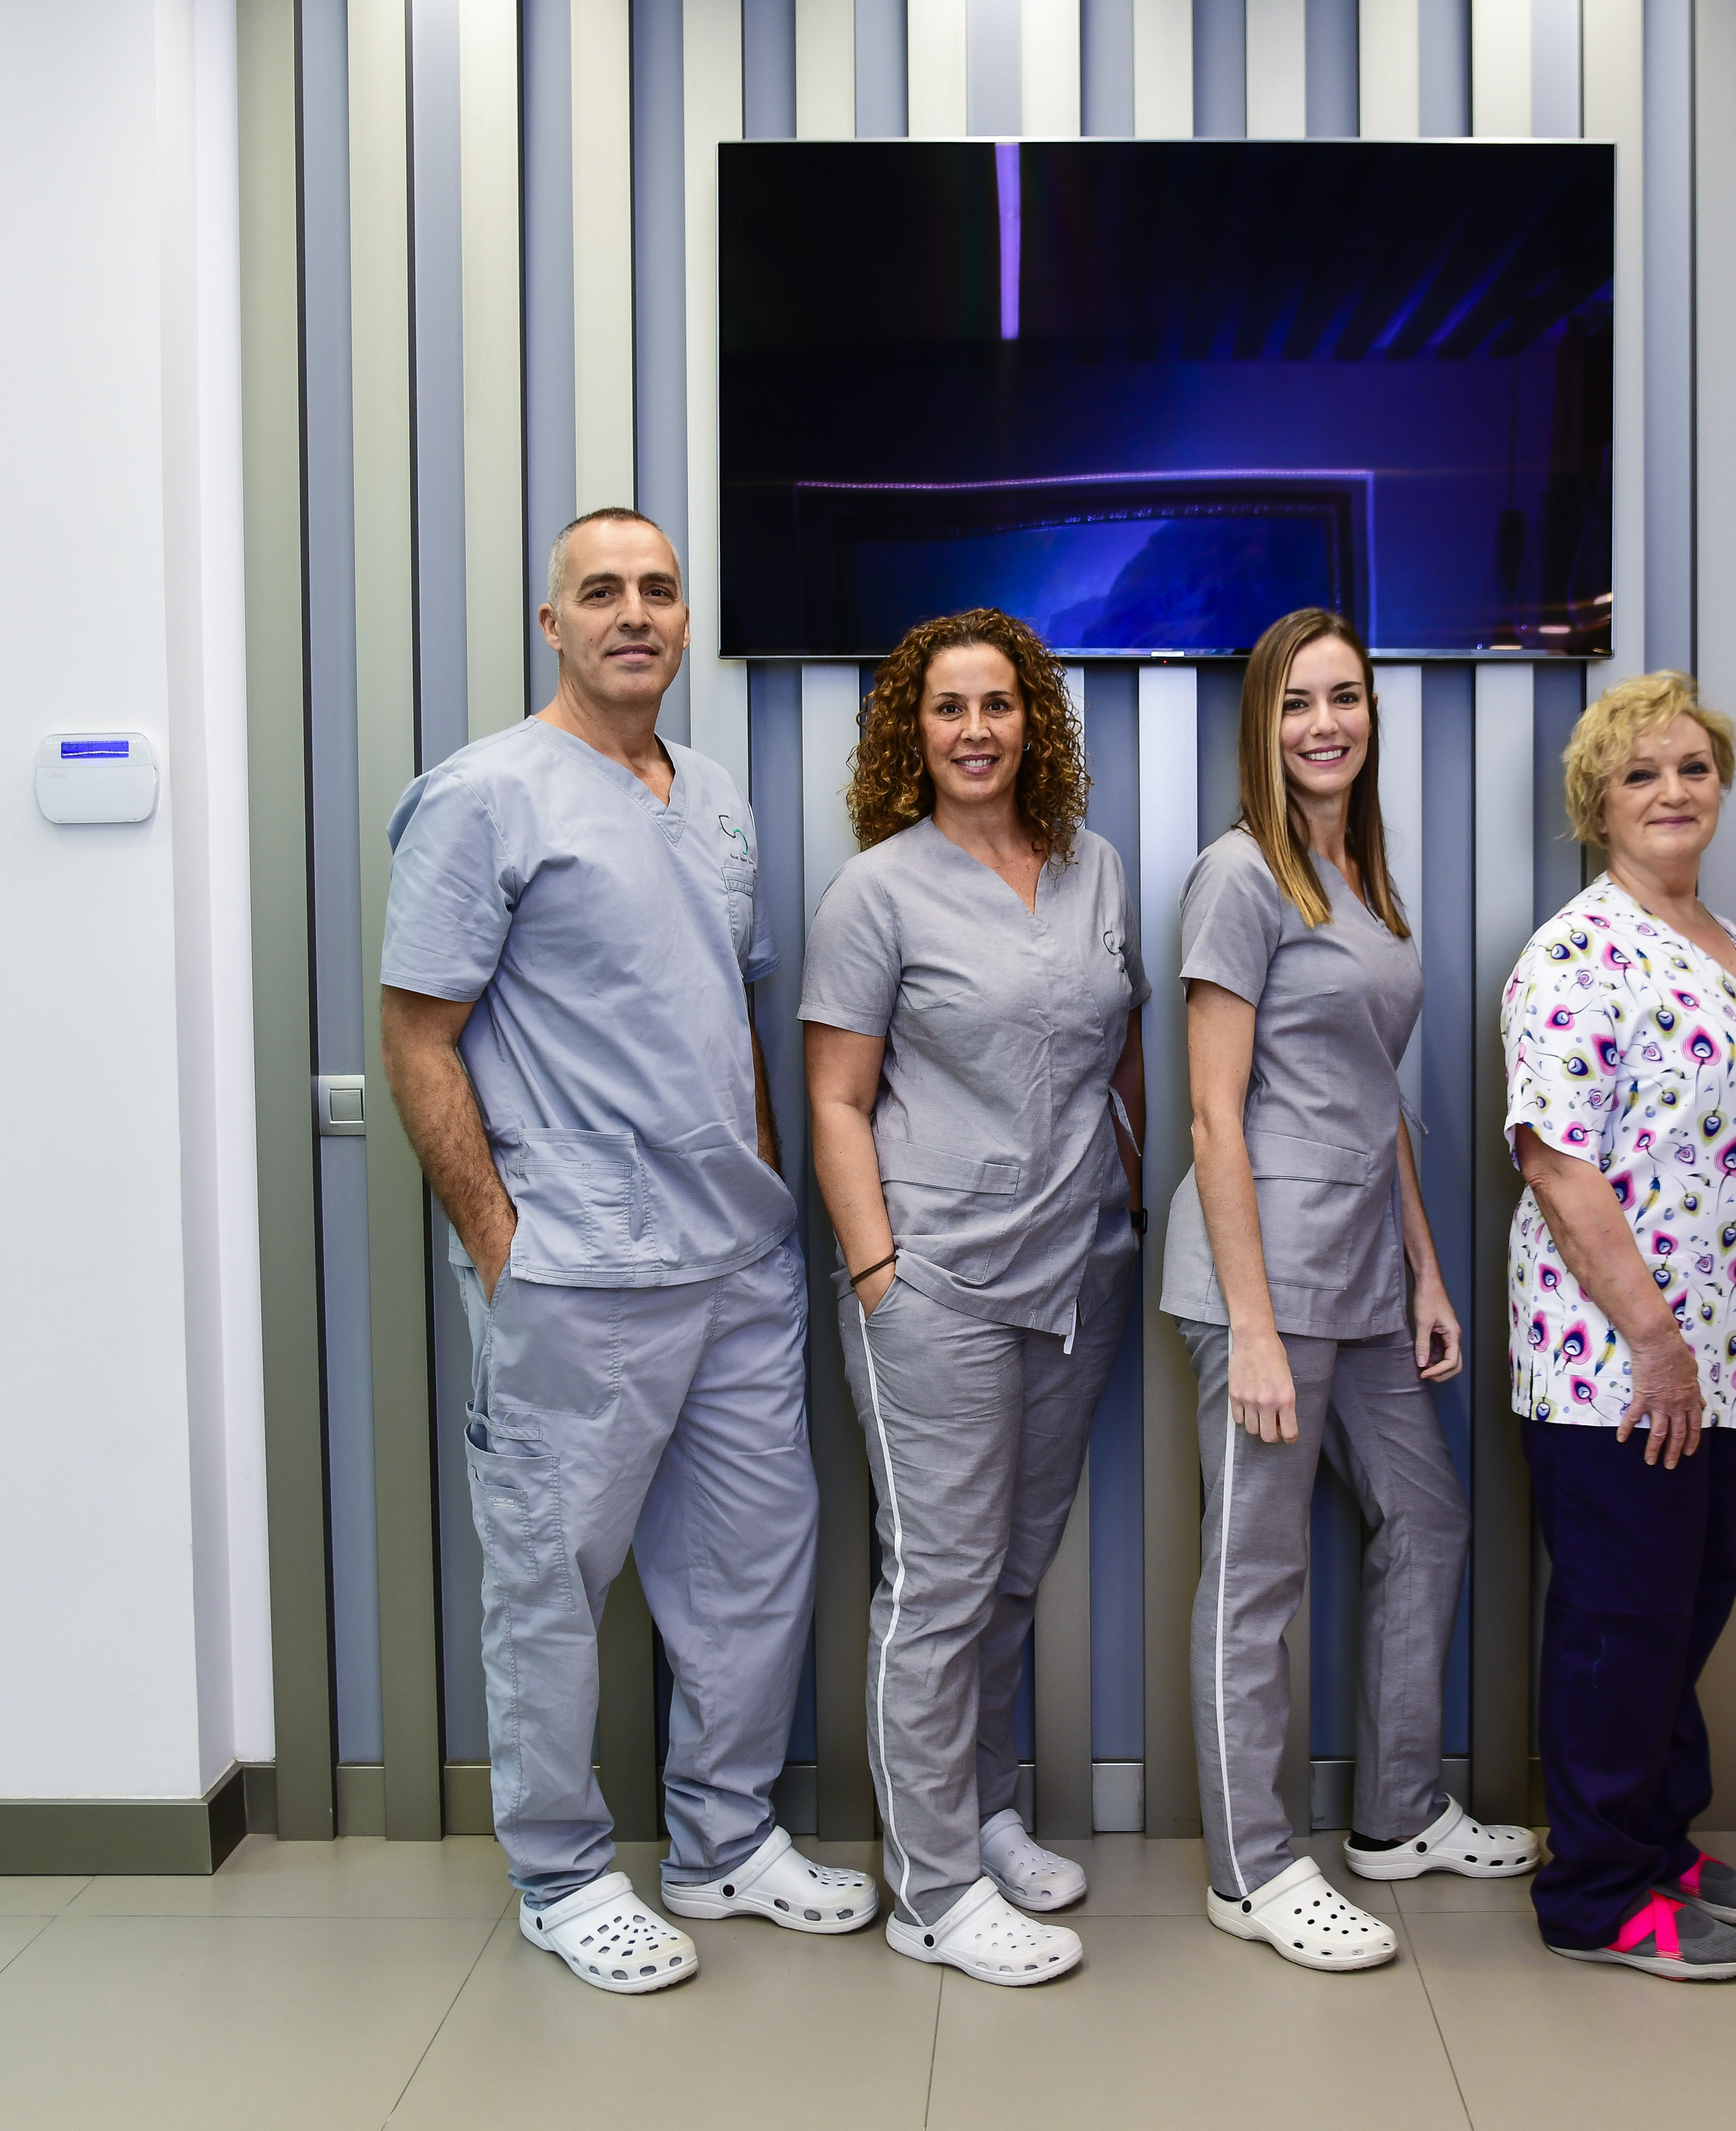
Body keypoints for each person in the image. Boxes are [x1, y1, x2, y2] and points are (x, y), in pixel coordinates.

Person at [378, 506, 876, 1996]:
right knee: (550, 1578)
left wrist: (767, 1191)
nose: (634, 614)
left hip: (734, 1263)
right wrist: (500, 1243)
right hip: (579, 1267)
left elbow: (730, 1011)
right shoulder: (482, 797)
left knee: (753, 1566)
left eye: (658, 590)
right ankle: (558, 1872)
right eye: (600, 592)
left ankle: (725, 1840)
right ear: (554, 625)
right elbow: (417, 1038)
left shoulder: (710, 797)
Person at [1166, 605, 1535, 1975]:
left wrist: (1426, 1270)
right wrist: (1253, 1327)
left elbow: (1381, 1101)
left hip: (1369, 1273)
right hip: (1264, 1276)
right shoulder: (1238, 877)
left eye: (1347, 698)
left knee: (1427, 1521)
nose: (1326, 724)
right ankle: (1252, 1868)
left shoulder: (1363, 880)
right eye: (1298, 702)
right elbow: (1213, 1115)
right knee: (1253, 1571)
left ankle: (1396, 1815)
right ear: (1262, 725)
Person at [803, 609, 1150, 1988]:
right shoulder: (876, 893)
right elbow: (836, 1100)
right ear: (913, 730)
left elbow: (1119, 1047)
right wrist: (878, 1273)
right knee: (938, 1584)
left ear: (1032, 721)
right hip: (936, 1281)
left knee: (1009, 1571)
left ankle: (985, 1811)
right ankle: (932, 1888)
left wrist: (1127, 1201)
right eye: (947, 708)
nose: (975, 730)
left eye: (997, 704)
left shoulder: (1093, 868)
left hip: (1078, 1274)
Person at [1501, 670, 1736, 1984]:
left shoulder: (1722, 940)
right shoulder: (1576, 955)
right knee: (1620, 1623)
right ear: (1598, 805)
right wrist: (1655, 1342)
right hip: (1624, 1364)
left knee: (1685, 1610)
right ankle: (1594, 1892)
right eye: (1641, 774)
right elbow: (1558, 1163)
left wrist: (1727, 1340)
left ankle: (1653, 1841)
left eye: (1693, 767)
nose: (1673, 791)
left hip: (1734, 1353)